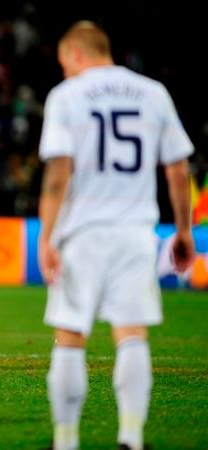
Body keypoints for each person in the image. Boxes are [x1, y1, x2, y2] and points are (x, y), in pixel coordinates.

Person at [37, 21, 195, 450]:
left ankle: (66, 439)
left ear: (75, 54)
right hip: (136, 232)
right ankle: (131, 436)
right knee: (132, 333)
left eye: (64, 64)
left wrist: (46, 236)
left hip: (81, 233)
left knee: (70, 334)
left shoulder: (67, 95)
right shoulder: (153, 92)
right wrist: (183, 232)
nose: (66, 72)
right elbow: (178, 169)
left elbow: (58, 173)